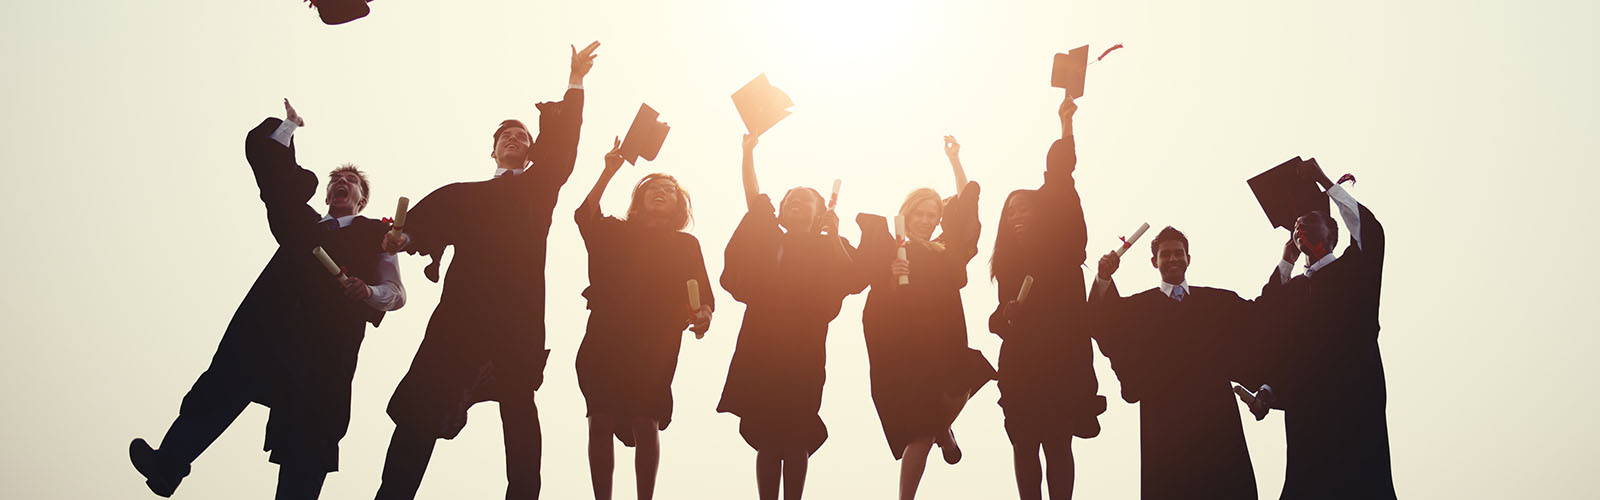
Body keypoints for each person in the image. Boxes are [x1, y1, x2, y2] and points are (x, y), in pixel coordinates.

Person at [130, 100, 406, 499]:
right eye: (336, 180)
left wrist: (367, 291)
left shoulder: (374, 234)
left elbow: (395, 294)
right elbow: (275, 182)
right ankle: (167, 466)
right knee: (220, 389)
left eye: (352, 182)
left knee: (309, 436)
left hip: (323, 348)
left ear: (362, 199)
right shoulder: (301, 222)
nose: (341, 184)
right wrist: (288, 128)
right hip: (266, 331)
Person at [374, 42, 598, 500]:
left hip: (516, 317)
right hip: (462, 314)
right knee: (422, 408)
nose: (515, 140)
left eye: (523, 138)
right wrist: (406, 238)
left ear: (532, 154)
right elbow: (422, 226)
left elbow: (565, 145)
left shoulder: (539, 188)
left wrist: (575, 83)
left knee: (519, 412)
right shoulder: (465, 195)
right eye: (506, 137)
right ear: (494, 150)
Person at [716, 133, 861, 500]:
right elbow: (754, 200)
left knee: (796, 431)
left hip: (804, 346)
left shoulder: (827, 243)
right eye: (790, 199)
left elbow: (854, 277)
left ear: (819, 213)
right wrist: (747, 152)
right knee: (767, 432)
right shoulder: (769, 238)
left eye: (806, 200)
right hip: (761, 342)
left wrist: (834, 235)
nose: (796, 202)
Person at [856, 137, 996, 500]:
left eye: (932, 215)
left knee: (967, 377)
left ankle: (944, 426)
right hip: (906, 341)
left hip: (945, 334)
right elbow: (867, 282)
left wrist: (955, 160)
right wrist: (891, 273)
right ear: (907, 212)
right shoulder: (891, 246)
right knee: (920, 429)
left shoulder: (947, 250)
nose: (925, 220)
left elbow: (966, 207)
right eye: (919, 213)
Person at [1244, 161, 1394, 500]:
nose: (1300, 228)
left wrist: (1324, 182)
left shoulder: (1354, 271)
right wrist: (1268, 390)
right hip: (1308, 416)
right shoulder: (1294, 291)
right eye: (1296, 227)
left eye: (1310, 221)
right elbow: (1269, 325)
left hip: (1354, 405)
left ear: (1334, 233)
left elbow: (1370, 232)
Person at [574, 138, 714, 500]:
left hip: (657, 339)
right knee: (600, 419)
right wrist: (609, 170)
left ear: (679, 206)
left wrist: (703, 314)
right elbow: (585, 215)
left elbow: (701, 293)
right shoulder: (616, 232)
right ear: (639, 199)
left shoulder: (686, 246)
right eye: (653, 188)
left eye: (669, 190)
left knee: (646, 418)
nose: (661, 193)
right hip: (607, 334)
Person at [987, 95, 1106, 500]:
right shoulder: (1007, 266)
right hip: (1022, 364)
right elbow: (997, 322)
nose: (1018, 217)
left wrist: (1065, 126)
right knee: (1023, 443)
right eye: (1010, 214)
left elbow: (1059, 179)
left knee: (1058, 443)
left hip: (1061, 359)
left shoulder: (1061, 250)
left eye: (1025, 210)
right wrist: (1006, 313)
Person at [1089, 226, 1262, 500]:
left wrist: (1286, 264)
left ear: (1188, 259)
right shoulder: (1138, 309)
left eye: (1178, 254)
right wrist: (1103, 277)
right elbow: (1103, 322)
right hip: (1165, 418)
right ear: (1154, 262)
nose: (1172, 260)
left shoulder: (1216, 302)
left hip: (1215, 417)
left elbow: (1260, 319)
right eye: (1165, 255)